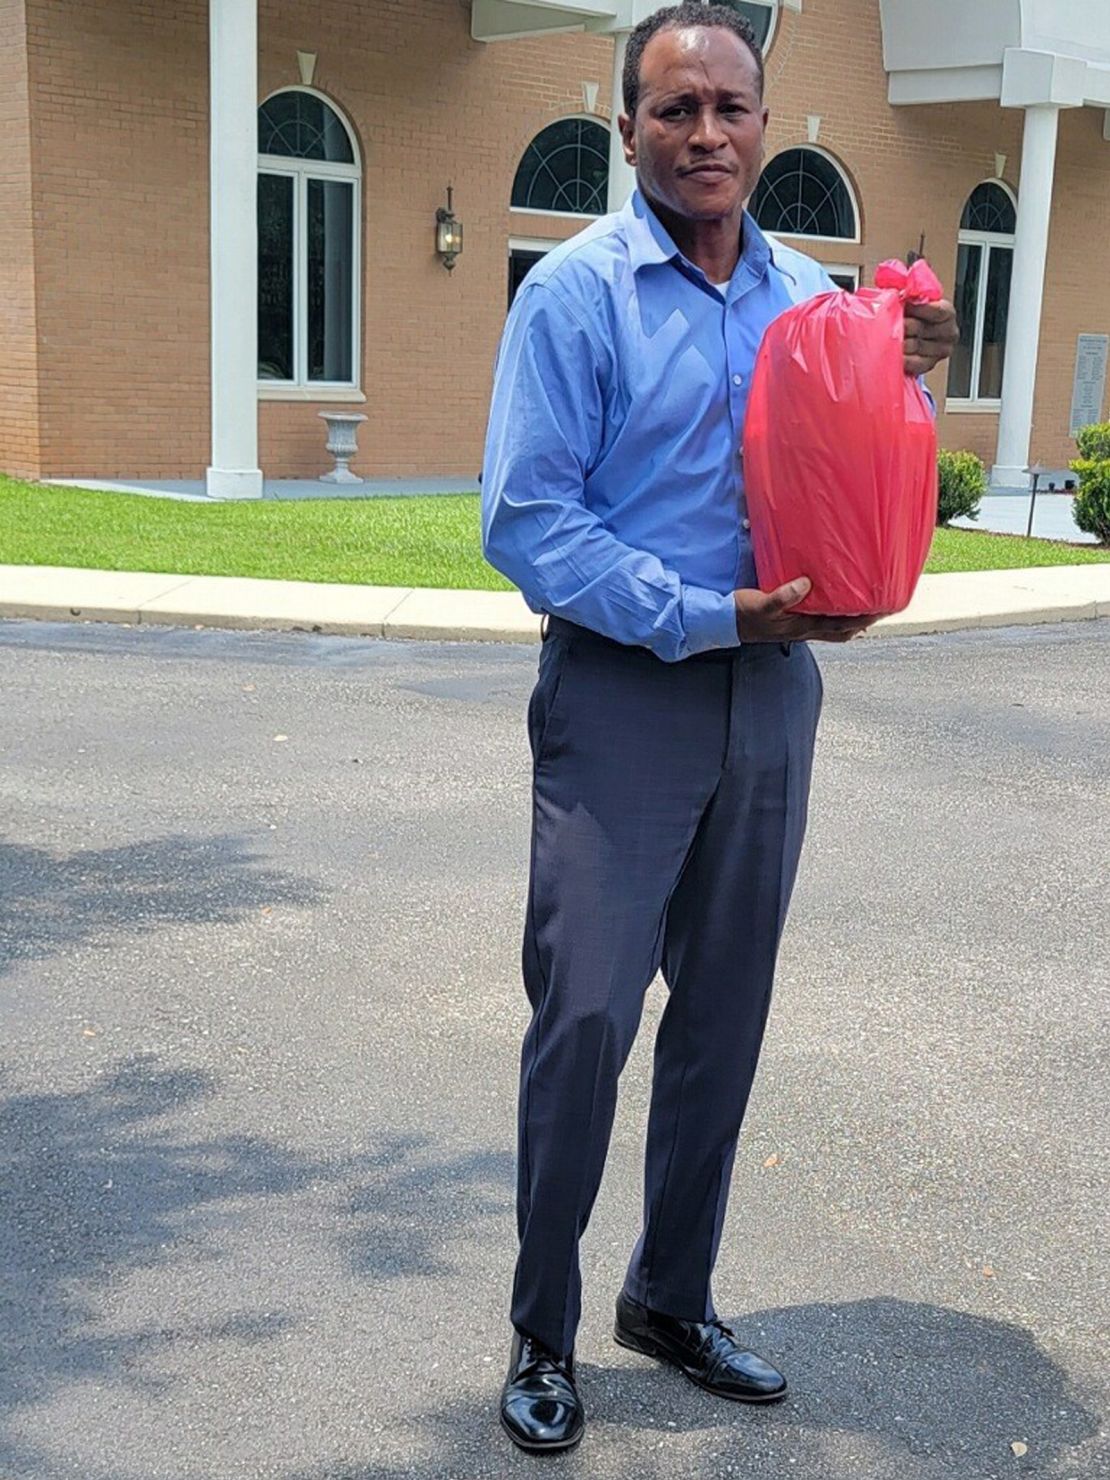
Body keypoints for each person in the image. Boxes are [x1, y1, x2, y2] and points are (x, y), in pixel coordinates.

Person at [480, 2, 958, 1456]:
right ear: (627, 126)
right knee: (583, 1021)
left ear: (761, 124)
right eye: (673, 109)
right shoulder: (573, 296)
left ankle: (668, 1299)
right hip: (627, 690)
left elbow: (846, 459)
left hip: (772, 695)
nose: (705, 134)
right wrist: (708, 612)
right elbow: (525, 521)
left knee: (723, 1023)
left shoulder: (807, 303)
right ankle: (542, 1328)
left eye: (730, 108)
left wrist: (908, 369)